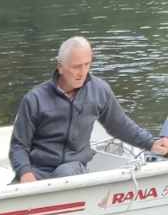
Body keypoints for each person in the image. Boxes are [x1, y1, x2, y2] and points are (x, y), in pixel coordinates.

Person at [10, 36, 168, 182]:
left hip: (73, 167)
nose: (82, 72)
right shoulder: (34, 99)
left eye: (87, 65)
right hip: (38, 169)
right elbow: (19, 146)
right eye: (76, 67)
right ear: (60, 67)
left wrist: (151, 143)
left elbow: (121, 126)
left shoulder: (99, 90)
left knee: (65, 172)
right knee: (14, 189)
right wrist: (25, 173)